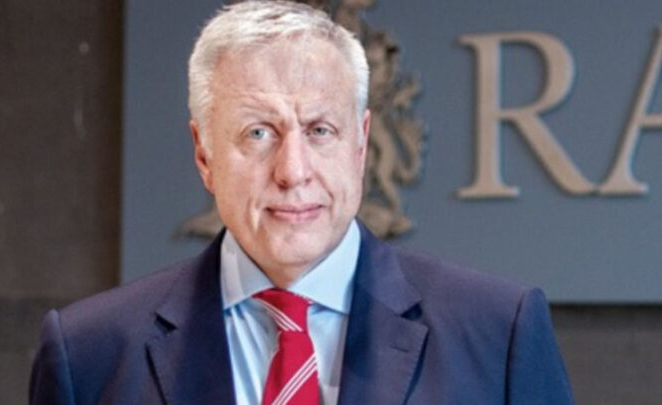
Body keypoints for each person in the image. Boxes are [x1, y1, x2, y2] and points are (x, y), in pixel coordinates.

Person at [29, 1, 575, 404]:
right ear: (203, 154)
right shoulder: (89, 355)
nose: (293, 171)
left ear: (360, 144)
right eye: (258, 133)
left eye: (319, 130)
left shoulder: (498, 335)